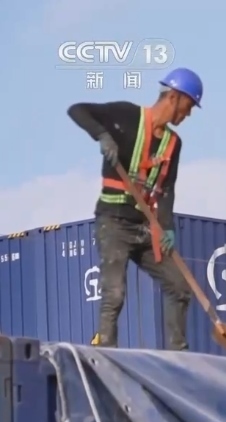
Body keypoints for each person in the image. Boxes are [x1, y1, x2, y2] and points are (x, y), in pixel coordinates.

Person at [66, 67, 204, 350]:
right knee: (114, 294)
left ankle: (178, 354)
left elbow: (166, 190)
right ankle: (106, 351)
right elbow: (77, 110)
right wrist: (102, 135)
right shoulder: (127, 115)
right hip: (113, 223)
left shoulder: (173, 144)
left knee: (180, 288)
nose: (188, 114)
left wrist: (167, 228)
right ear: (174, 97)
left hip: (145, 227)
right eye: (188, 106)